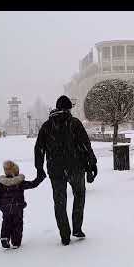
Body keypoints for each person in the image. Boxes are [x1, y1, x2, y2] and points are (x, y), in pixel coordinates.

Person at [34, 95, 98, 245]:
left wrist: (39, 168)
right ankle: (77, 228)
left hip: (55, 170)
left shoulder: (47, 126)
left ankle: (65, 235)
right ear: (69, 108)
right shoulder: (74, 123)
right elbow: (85, 145)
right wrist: (92, 163)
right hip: (75, 168)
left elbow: (39, 149)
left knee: (59, 202)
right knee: (79, 195)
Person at [0, 160, 45, 249]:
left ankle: (4, 237)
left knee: (6, 222)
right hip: (17, 207)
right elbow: (32, 184)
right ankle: (16, 241)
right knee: (17, 224)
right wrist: (40, 178)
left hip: (5, 207)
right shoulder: (19, 183)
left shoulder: (2, 184)